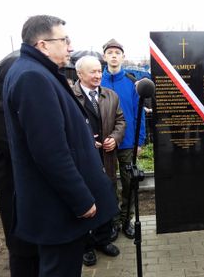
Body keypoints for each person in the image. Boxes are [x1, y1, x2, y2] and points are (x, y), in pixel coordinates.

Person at [2, 15, 118, 276]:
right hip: (58, 209)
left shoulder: (34, 71)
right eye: (64, 40)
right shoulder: (33, 77)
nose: (69, 46)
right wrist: (81, 200)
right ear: (43, 44)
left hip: (53, 204)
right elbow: (49, 151)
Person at [0, 56, 39, 276]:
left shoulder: (16, 106)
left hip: (27, 188)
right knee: (21, 246)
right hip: (13, 189)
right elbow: (18, 150)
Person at [72, 55, 125, 266]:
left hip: (107, 157)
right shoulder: (69, 97)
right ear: (79, 74)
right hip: (82, 160)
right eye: (92, 71)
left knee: (105, 197)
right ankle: (86, 246)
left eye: (99, 71)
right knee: (85, 200)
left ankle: (103, 239)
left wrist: (115, 137)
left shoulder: (110, 95)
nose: (98, 75)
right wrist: (84, 141)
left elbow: (120, 120)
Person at [101, 38, 146, 240]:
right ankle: (111, 222)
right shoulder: (97, 79)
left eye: (117, 52)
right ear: (104, 57)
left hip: (127, 142)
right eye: (110, 52)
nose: (113, 55)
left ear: (123, 56)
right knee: (107, 184)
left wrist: (140, 140)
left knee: (129, 182)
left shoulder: (130, 81)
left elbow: (139, 112)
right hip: (104, 143)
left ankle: (126, 219)